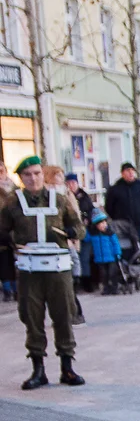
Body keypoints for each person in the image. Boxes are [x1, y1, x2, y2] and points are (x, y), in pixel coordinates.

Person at [0, 156, 87, 389]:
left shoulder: (59, 199)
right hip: (29, 270)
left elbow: (80, 228)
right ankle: (38, 370)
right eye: (27, 174)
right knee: (32, 317)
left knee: (63, 315)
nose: (33, 178)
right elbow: (2, 231)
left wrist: (71, 231)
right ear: (21, 178)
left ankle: (67, 368)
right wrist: (12, 241)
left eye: (37, 173)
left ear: (42, 174)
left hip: (58, 268)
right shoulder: (12, 203)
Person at [44, 166, 85, 326]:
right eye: (58, 175)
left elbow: (76, 216)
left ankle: (74, 313)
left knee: (71, 272)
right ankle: (66, 315)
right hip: (54, 241)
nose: (61, 178)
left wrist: (75, 233)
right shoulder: (46, 194)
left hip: (68, 237)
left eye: (61, 175)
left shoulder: (66, 193)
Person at [104, 162, 140, 271]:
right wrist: (118, 218)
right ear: (122, 173)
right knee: (126, 250)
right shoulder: (115, 189)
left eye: (132, 171)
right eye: (127, 171)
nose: (130, 173)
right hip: (123, 226)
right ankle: (128, 273)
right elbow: (109, 207)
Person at [66, 173, 96, 293]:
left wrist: (88, 218)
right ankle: (75, 282)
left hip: (85, 231)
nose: (71, 185)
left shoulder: (84, 196)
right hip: (72, 232)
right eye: (68, 183)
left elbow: (91, 210)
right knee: (74, 258)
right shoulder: (65, 197)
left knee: (84, 257)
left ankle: (87, 281)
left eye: (73, 183)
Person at [88, 212, 123, 295]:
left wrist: (117, 253)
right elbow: (86, 238)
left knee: (112, 273)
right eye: (101, 223)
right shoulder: (93, 234)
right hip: (100, 258)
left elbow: (116, 244)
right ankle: (106, 288)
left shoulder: (110, 233)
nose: (104, 225)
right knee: (103, 275)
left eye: (105, 222)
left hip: (111, 257)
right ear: (96, 225)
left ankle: (115, 287)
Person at [0, 162, 15, 301]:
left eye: (1, 170)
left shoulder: (13, 187)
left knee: (14, 259)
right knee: (3, 260)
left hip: (13, 227)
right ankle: (7, 289)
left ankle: (16, 289)